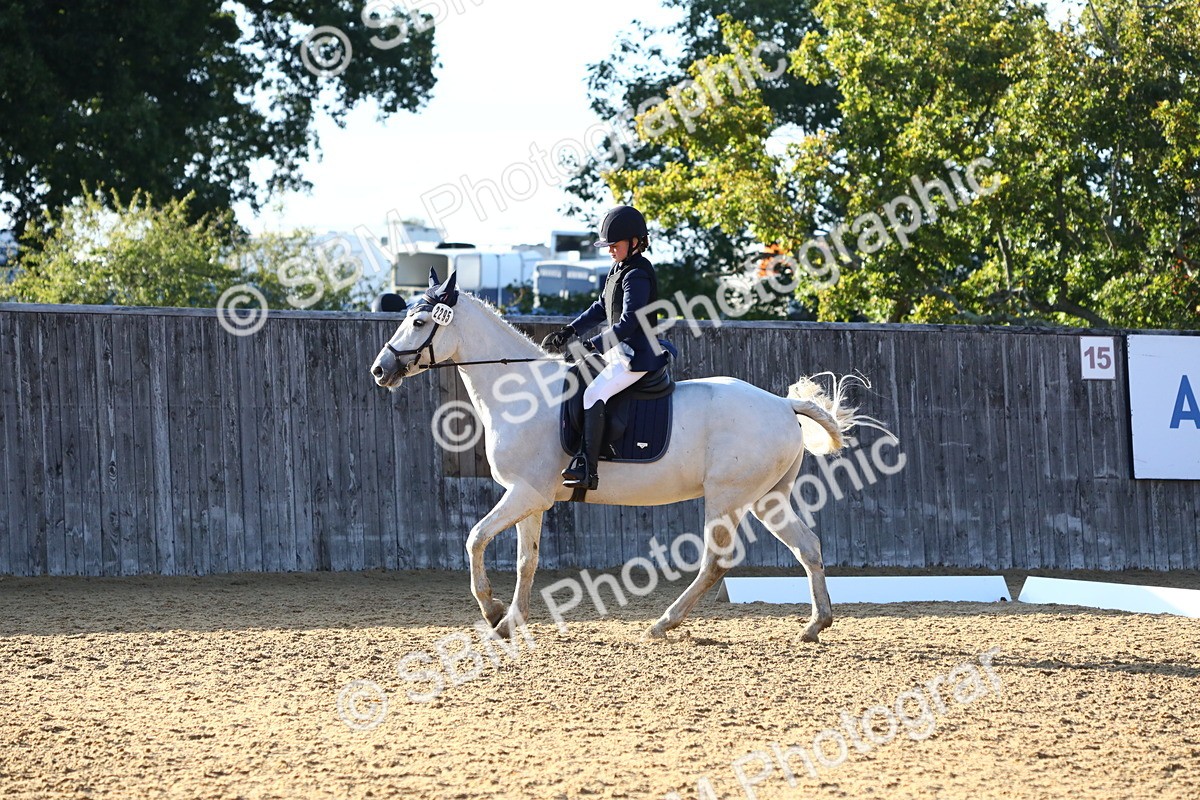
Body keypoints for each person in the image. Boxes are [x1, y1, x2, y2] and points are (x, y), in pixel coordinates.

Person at [541, 204, 672, 490]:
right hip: (620, 352)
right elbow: (601, 307)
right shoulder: (619, 268)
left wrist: (594, 344)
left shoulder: (638, 273)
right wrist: (570, 330)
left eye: (615, 244)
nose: (610, 250)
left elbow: (628, 322)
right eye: (608, 245)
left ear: (635, 242)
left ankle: (588, 468)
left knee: (594, 393)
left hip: (637, 355)